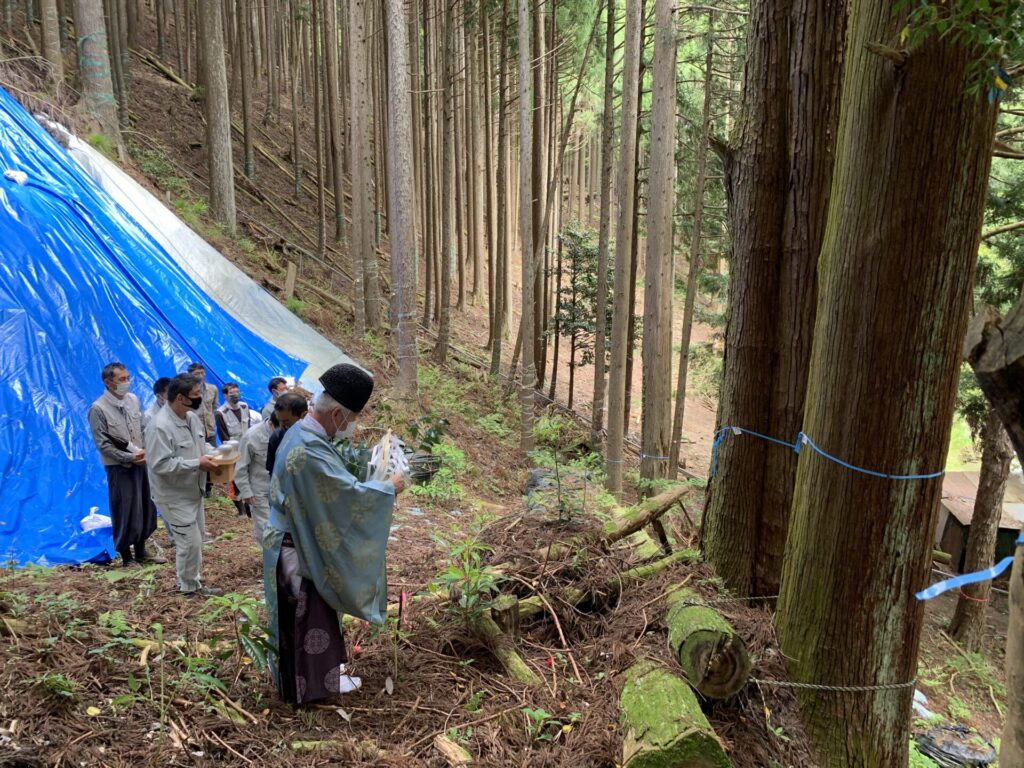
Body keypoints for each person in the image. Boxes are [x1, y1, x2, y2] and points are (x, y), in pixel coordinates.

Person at [263, 363, 406, 704]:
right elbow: (344, 499)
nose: (352, 427)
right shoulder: (309, 449)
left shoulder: (302, 434)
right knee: (307, 615)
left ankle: (318, 680)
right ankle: (309, 688)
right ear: (339, 413)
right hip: (296, 547)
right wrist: (389, 488)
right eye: (353, 418)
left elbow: (332, 489)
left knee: (314, 613)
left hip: (293, 539)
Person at [146, 373, 223, 598]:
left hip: (192, 490)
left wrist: (218, 455)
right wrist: (197, 463)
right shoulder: (159, 426)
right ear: (181, 398)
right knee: (189, 542)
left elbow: (200, 447)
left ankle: (193, 582)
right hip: (172, 495)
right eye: (196, 395)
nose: (200, 398)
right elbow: (160, 465)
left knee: (197, 539)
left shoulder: (191, 418)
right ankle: (188, 588)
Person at [87, 363, 164, 567]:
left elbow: (142, 428)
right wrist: (128, 458)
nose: (126, 382)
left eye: (128, 377)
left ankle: (141, 551)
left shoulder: (133, 400)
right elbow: (103, 444)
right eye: (122, 379)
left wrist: (146, 450)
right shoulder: (98, 409)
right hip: (119, 467)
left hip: (141, 461)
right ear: (108, 382)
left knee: (145, 507)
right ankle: (126, 557)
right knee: (125, 509)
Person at [236, 412, 275, 546]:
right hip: (260, 488)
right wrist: (246, 491)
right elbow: (241, 466)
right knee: (264, 525)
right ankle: (269, 560)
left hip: (281, 487)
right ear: (271, 423)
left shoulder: (289, 431)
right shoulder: (252, 435)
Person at [266, 392, 309, 474]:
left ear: (304, 415)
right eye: (279, 420)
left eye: (286, 421)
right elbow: (272, 469)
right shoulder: (277, 436)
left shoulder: (316, 437)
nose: (282, 425)